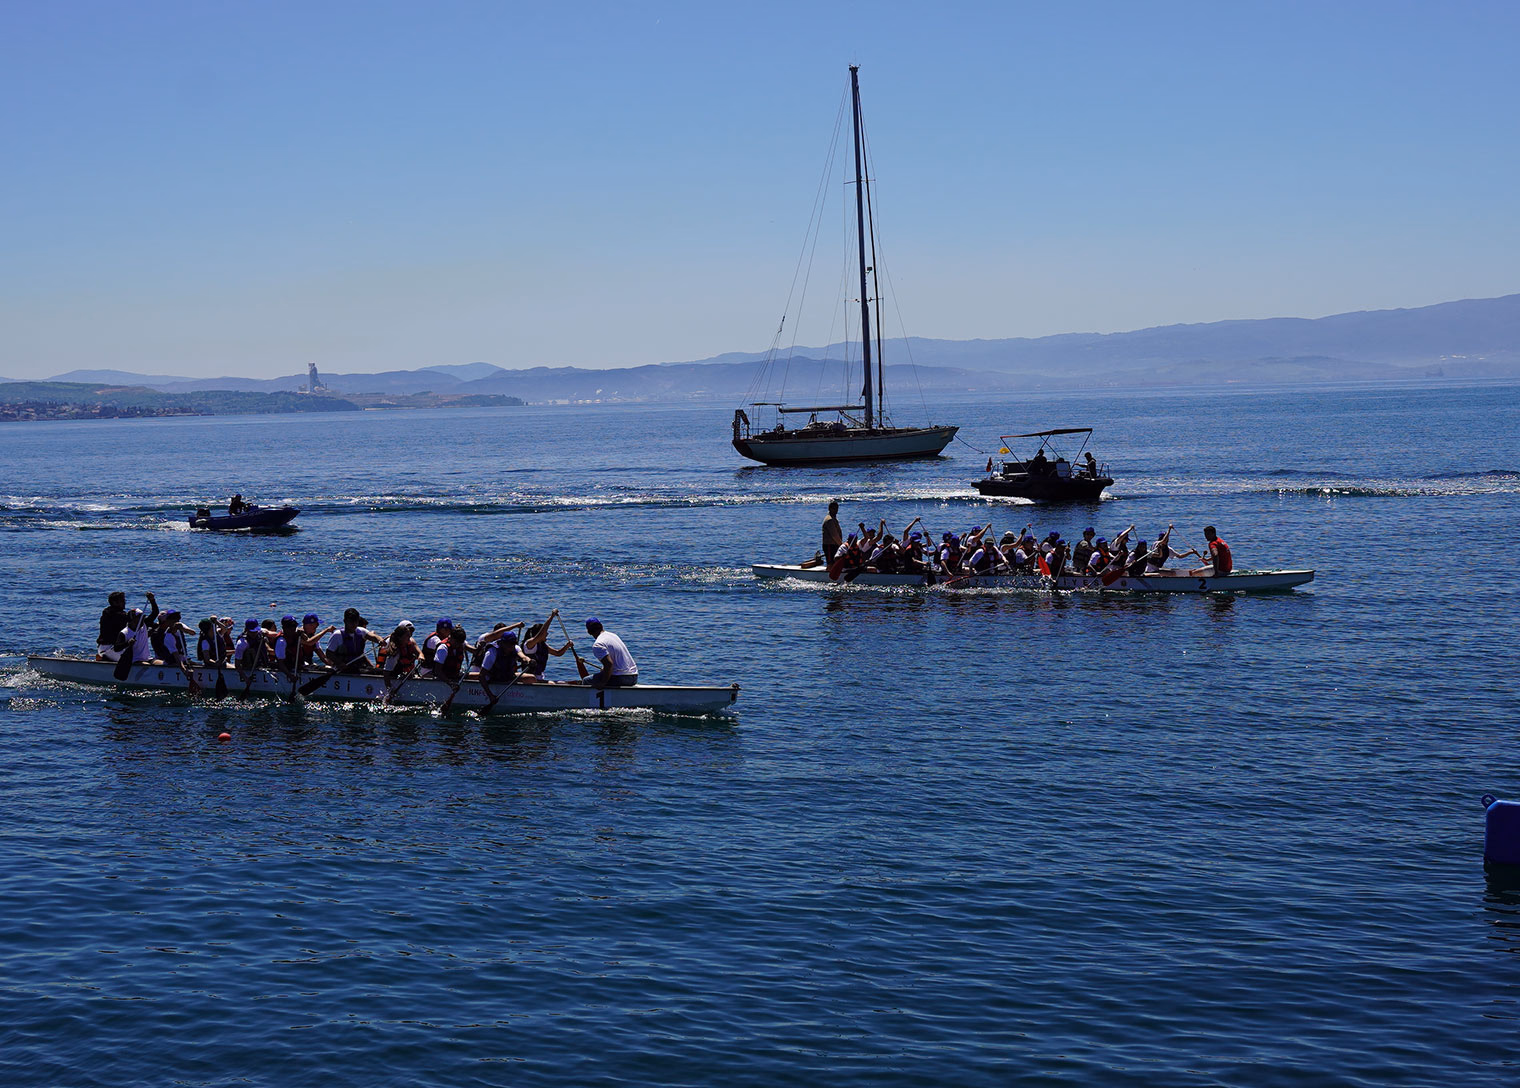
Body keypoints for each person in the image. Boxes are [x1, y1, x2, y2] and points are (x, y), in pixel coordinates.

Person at [584, 617, 638, 688]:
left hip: (621, 678)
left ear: (589, 632)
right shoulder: (613, 635)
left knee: (586, 680)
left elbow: (609, 664)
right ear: (601, 626)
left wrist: (603, 683)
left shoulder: (598, 644)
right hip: (634, 676)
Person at [325, 607, 382, 672]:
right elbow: (328, 653)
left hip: (359, 666)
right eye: (351, 622)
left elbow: (373, 636)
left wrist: (380, 640)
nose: (354, 624)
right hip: (344, 668)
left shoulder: (361, 631)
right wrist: (339, 663)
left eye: (356, 622)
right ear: (345, 621)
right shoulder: (337, 635)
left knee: (379, 671)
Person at [804, 500, 843, 569]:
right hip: (830, 545)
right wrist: (842, 546)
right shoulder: (829, 520)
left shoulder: (833, 519)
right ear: (830, 509)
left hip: (834, 545)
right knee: (830, 563)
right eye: (834, 508)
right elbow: (834, 535)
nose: (836, 510)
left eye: (837, 508)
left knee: (835, 562)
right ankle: (828, 576)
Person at [96, 592, 130, 661]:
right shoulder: (117, 615)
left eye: (124, 600)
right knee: (132, 659)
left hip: (105, 647)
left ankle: (105, 657)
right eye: (122, 601)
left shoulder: (107, 613)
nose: (124, 602)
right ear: (115, 602)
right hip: (109, 648)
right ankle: (105, 657)